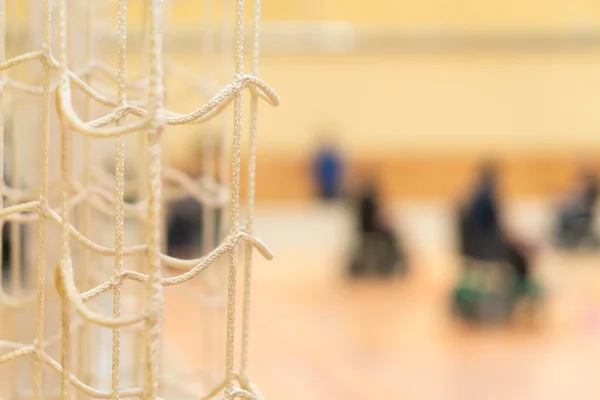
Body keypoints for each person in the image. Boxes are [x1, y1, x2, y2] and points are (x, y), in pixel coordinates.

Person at [348, 179, 405, 277]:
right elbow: (378, 220)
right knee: (391, 238)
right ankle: (393, 263)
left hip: (369, 233)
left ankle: (393, 262)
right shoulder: (368, 206)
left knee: (391, 237)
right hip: (373, 234)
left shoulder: (362, 205)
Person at [555, 166, 599, 247]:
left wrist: (570, 204)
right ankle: (561, 237)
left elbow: (582, 204)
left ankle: (563, 237)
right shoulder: (583, 188)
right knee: (562, 212)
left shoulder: (590, 188)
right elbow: (576, 200)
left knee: (565, 214)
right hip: (580, 211)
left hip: (583, 213)